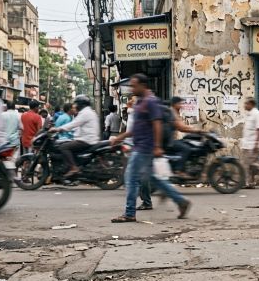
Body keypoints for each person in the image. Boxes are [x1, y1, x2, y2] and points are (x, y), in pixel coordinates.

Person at [110, 73, 190, 222]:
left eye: (134, 86)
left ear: (142, 85)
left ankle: (129, 213)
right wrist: (121, 137)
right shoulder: (140, 103)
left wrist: (158, 146)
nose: (132, 89)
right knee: (154, 179)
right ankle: (180, 201)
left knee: (131, 178)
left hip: (144, 148)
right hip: (139, 146)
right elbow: (138, 128)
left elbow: (157, 123)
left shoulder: (150, 102)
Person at [50, 95, 100, 178]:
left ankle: (74, 168)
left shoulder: (85, 113)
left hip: (85, 140)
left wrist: (58, 129)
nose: (75, 106)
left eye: (76, 104)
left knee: (63, 147)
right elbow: (76, 126)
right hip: (87, 138)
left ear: (81, 104)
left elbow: (73, 124)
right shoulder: (89, 112)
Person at [167, 96, 204, 179]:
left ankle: (186, 168)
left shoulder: (174, 112)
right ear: (175, 104)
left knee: (186, 142)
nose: (181, 105)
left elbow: (182, 126)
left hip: (171, 140)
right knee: (186, 148)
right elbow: (181, 128)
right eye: (180, 103)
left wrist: (194, 129)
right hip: (169, 141)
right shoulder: (171, 112)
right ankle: (178, 171)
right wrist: (197, 131)